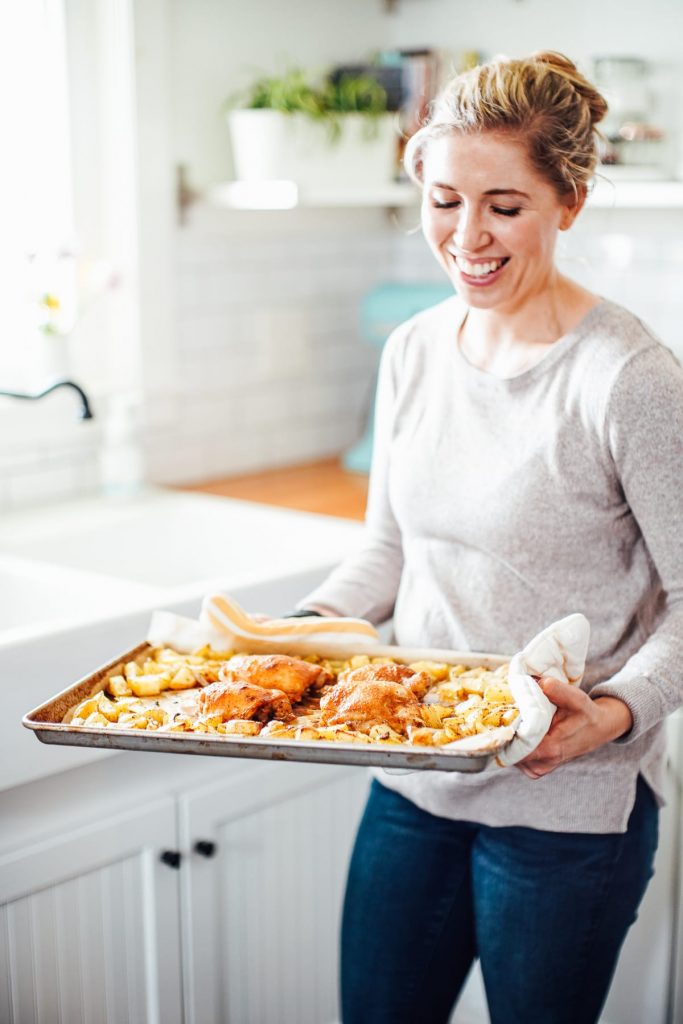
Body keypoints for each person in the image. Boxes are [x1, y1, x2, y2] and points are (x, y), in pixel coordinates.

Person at [293, 51, 683, 1024]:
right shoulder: (414, 351)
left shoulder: (626, 380)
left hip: (566, 804)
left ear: (569, 201)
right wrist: (295, 634)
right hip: (417, 770)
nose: (466, 237)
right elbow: (386, 551)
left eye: (503, 205)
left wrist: (616, 713)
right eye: (442, 200)